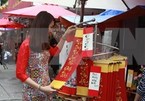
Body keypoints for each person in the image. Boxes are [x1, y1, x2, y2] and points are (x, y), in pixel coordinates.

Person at [16, 11, 75, 101]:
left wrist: (65, 35)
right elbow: (20, 73)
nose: (51, 30)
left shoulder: (44, 44)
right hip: (32, 92)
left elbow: (55, 52)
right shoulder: (26, 45)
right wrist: (41, 88)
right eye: (50, 27)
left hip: (47, 88)